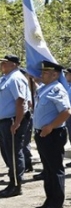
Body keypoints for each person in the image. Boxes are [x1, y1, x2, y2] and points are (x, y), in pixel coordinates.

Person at [31, 61, 71, 208]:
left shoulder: (56, 89)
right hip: (43, 133)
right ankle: (49, 200)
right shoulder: (45, 88)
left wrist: (51, 126)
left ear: (55, 75)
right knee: (47, 170)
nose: (42, 74)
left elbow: (66, 111)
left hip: (52, 134)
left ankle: (57, 202)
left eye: (46, 72)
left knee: (55, 169)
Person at [0, 54, 31, 198]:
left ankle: (16, 185)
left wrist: (18, 122)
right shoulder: (6, 78)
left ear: (13, 64)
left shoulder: (15, 78)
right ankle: (12, 182)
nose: (2, 65)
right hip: (5, 120)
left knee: (13, 151)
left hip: (13, 120)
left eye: (4, 63)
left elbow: (20, 101)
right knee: (7, 151)